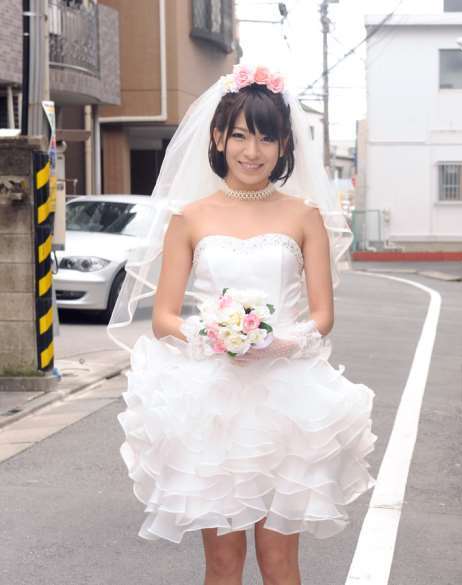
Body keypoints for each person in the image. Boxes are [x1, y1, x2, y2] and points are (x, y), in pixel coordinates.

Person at [108, 65, 378, 585]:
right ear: (218, 137)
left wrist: (279, 342)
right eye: (239, 136)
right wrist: (214, 336)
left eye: (266, 138)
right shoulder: (189, 217)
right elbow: (164, 317)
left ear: (284, 145)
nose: (252, 151)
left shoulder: (304, 216)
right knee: (223, 561)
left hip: (287, 398)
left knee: (279, 561)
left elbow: (323, 315)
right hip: (213, 402)